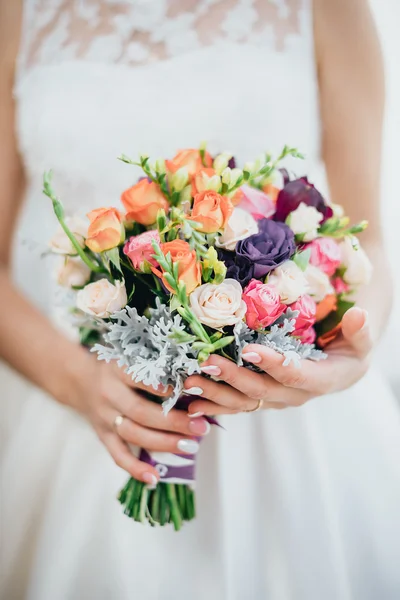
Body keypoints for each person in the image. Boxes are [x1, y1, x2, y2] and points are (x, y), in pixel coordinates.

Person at [1, 1, 400, 599]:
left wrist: (349, 351)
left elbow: (364, 235)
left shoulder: (332, 8)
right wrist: (81, 384)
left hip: (295, 426)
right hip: (91, 415)